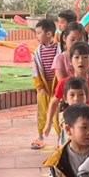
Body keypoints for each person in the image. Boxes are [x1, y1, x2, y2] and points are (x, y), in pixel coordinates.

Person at [31, 18, 61, 149]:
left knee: (57, 115)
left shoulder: (60, 49)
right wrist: (40, 87)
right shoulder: (37, 52)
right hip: (43, 89)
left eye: (39, 33)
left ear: (49, 34)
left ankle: (61, 138)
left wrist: (61, 87)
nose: (36, 36)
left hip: (57, 89)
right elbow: (35, 71)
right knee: (42, 113)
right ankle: (40, 137)